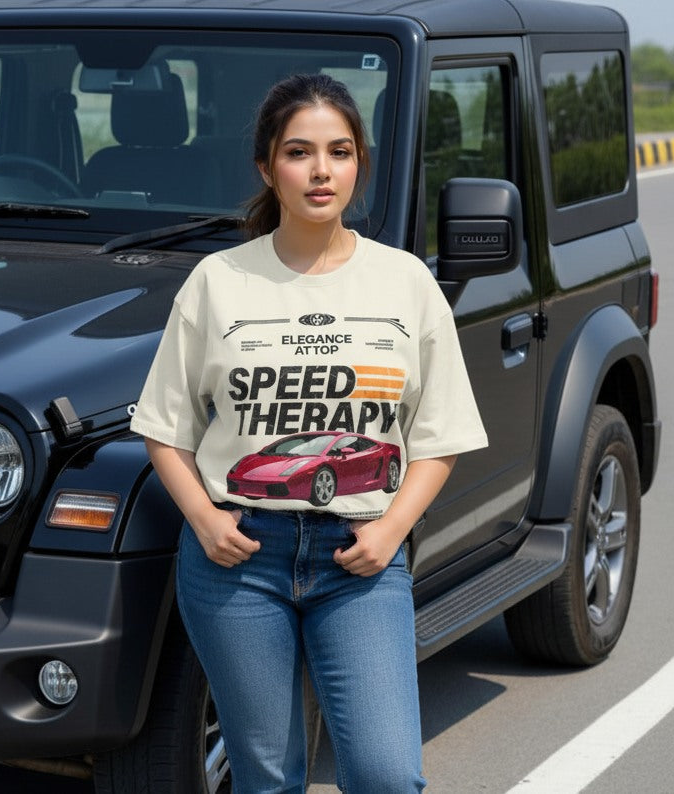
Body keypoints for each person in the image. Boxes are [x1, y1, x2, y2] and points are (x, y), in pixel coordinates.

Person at [131, 73, 487, 793]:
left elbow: (439, 434)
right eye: (300, 152)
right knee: (268, 780)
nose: (321, 171)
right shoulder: (217, 280)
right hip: (238, 561)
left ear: (360, 164)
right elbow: (163, 429)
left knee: (387, 775)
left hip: (360, 558)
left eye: (340, 151)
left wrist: (390, 533)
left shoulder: (405, 282)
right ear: (268, 167)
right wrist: (203, 520)